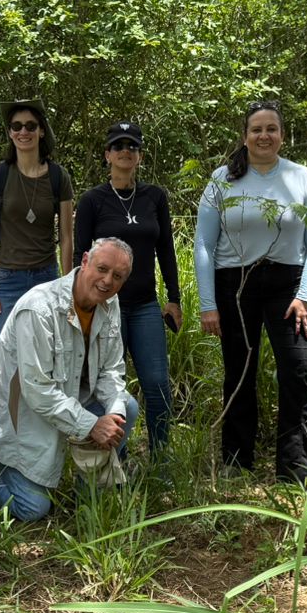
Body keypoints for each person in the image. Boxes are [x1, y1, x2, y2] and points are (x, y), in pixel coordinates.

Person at [194, 99, 307, 483]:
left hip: (290, 287)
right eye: (257, 129)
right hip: (235, 285)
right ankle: (237, 462)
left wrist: (306, 295)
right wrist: (208, 305)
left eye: (272, 128)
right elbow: (203, 243)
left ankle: (297, 468)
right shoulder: (223, 177)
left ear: (282, 136)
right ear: (245, 136)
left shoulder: (301, 176)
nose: (264, 135)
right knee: (239, 372)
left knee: (299, 370)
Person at [0, 238, 140, 522]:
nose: (107, 281)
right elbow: (37, 390)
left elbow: (112, 371)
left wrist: (111, 415)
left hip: (67, 397)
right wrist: (91, 424)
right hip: (19, 411)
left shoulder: (109, 304)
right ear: (85, 260)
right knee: (32, 508)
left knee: (127, 408)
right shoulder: (39, 308)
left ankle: (89, 489)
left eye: (118, 276)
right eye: (102, 268)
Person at [73, 120, 181, 453]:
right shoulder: (93, 200)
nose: (125, 152)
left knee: (157, 385)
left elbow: (166, 249)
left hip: (146, 306)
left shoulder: (154, 197)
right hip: (106, 307)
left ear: (140, 156)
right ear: (107, 154)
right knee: (107, 386)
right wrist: (79, 305)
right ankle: (111, 459)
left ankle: (161, 459)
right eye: (118, 146)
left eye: (132, 146)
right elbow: (81, 257)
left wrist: (174, 299)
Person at [0, 98, 75, 361]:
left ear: (41, 130)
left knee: (43, 359)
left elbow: (67, 237)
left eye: (31, 126)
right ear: (10, 132)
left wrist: (67, 287)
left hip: (46, 278)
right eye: (17, 126)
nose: (24, 132)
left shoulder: (59, 177)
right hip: (5, 279)